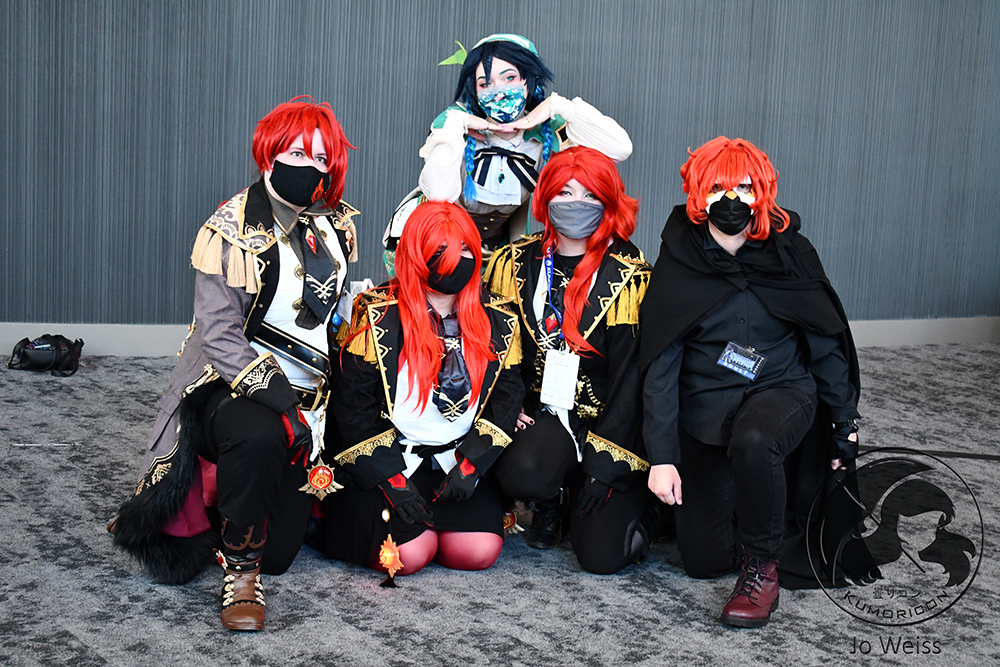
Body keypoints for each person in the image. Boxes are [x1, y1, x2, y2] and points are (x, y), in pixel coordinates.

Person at [109, 97, 359, 631]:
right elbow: (220, 335)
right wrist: (282, 403)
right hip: (229, 387)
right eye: (297, 153)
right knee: (259, 432)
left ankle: (225, 506)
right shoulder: (229, 227)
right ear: (270, 153)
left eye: (321, 159)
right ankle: (241, 577)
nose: (310, 167)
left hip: (310, 396)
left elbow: (332, 316)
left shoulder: (336, 224)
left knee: (282, 555)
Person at [639, 136, 861, 627]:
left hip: (779, 389)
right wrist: (662, 456)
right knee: (704, 562)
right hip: (704, 407)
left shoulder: (792, 252)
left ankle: (762, 568)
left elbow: (824, 338)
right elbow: (661, 360)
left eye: (744, 188)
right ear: (698, 194)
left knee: (756, 439)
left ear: (762, 192)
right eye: (718, 188)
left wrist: (844, 421)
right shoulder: (680, 257)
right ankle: (740, 505)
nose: (732, 200)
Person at [318, 201, 525, 575]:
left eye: (465, 248)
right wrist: (393, 481)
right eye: (441, 249)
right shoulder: (376, 311)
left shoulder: (500, 316)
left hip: (454, 463)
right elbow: (353, 406)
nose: (455, 259)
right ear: (416, 251)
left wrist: (471, 465)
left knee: (479, 551)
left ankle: (435, 526)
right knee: (409, 555)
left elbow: (507, 397)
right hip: (388, 461)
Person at [483, 146, 659, 574]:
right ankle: (552, 496)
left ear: (608, 201)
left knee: (600, 556)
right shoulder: (513, 262)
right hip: (547, 410)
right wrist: (508, 405)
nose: (576, 203)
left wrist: (604, 468)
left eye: (589, 194)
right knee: (522, 472)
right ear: (545, 197)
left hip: (610, 420)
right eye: (565, 192)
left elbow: (632, 379)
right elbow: (497, 345)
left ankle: (655, 512)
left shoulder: (631, 274)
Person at [383, 33, 632, 271]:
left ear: (528, 80)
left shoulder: (547, 132)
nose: (498, 90)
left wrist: (558, 105)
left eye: (509, 78)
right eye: (485, 83)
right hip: (433, 246)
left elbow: (620, 148)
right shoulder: (454, 125)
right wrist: (458, 124)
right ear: (474, 90)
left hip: (497, 254)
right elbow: (438, 196)